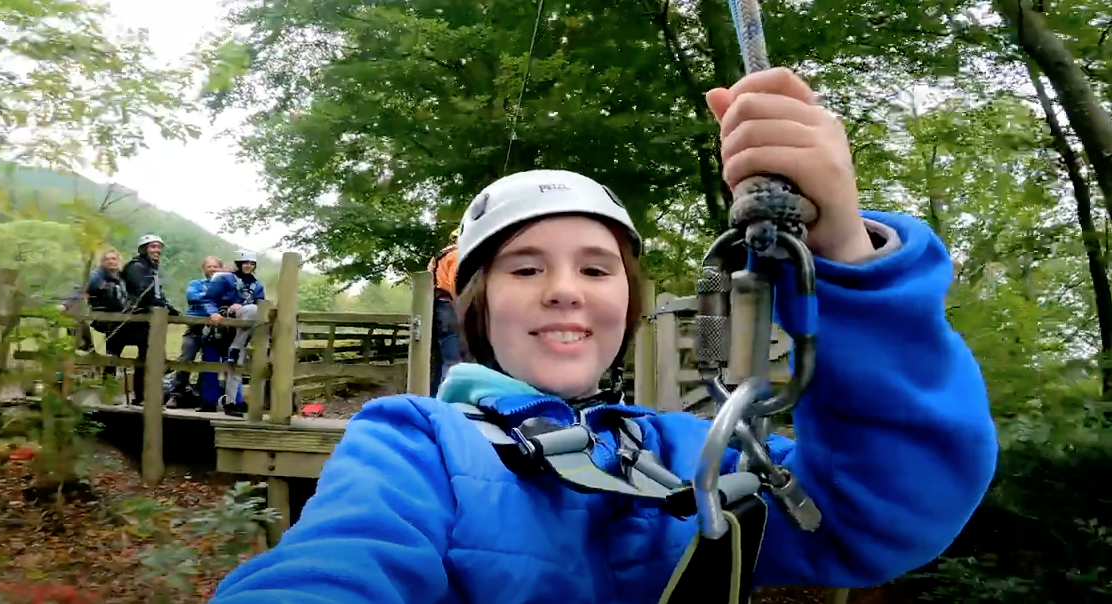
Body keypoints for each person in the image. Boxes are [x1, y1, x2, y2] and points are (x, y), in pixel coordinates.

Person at [209, 68, 998, 603]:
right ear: (478, 308)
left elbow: (885, 511)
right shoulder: (415, 444)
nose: (563, 289)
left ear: (627, 301)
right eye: (524, 270)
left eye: (596, 270)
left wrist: (844, 254)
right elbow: (338, 565)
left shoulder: (685, 451)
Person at [118, 234, 179, 406]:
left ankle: (144, 396)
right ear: (144, 249)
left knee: (147, 356)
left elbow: (157, 293)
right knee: (147, 355)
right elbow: (142, 293)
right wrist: (161, 305)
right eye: (153, 247)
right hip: (136, 317)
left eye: (159, 247)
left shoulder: (152, 268)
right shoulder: (136, 267)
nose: (157, 250)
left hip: (149, 317)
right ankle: (141, 396)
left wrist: (168, 307)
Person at [203, 250, 265, 415]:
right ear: (238, 264)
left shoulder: (257, 285)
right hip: (225, 324)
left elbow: (262, 305)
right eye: (245, 263)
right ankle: (211, 401)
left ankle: (230, 404)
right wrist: (213, 313)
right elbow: (209, 298)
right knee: (213, 365)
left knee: (236, 364)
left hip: (242, 330)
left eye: (252, 263)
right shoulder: (225, 278)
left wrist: (244, 305)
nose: (248, 266)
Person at [166, 255, 224, 409]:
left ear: (221, 269)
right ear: (203, 269)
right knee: (186, 358)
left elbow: (226, 300)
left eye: (215, 266)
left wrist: (206, 298)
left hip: (214, 328)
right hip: (194, 326)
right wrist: (211, 298)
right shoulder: (195, 283)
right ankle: (175, 395)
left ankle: (201, 396)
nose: (212, 269)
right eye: (209, 266)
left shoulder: (224, 286)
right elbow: (192, 297)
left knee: (208, 362)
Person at [85, 249, 131, 384]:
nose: (111, 261)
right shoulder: (97, 275)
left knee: (114, 347)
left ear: (118, 261)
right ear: (102, 262)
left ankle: (109, 377)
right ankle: (109, 379)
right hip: (105, 316)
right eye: (107, 259)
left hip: (122, 316)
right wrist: (104, 287)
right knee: (114, 345)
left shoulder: (123, 277)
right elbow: (88, 287)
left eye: (113, 258)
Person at [427, 227, 463, 395]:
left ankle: (435, 397)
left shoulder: (437, 258)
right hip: (448, 307)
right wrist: (462, 310)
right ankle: (447, 400)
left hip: (434, 307)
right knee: (453, 359)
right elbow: (455, 285)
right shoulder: (456, 255)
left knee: (441, 359)